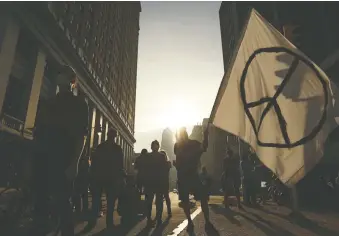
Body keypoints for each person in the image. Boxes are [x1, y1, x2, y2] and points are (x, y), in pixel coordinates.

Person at [32, 65, 88, 236]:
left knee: (63, 204)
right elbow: (38, 132)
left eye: (63, 74)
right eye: (58, 74)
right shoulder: (49, 102)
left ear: (71, 80)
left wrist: (74, 164)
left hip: (63, 159)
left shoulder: (79, 103)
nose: (59, 77)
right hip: (42, 157)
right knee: (39, 205)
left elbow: (81, 135)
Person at [174, 127, 213, 233]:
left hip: (192, 176)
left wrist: (205, 135)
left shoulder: (193, 144)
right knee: (185, 201)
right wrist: (177, 165)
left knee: (202, 198)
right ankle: (191, 221)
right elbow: (178, 160)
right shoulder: (177, 146)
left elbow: (204, 147)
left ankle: (207, 221)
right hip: (183, 176)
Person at [89, 128, 124, 230]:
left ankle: (93, 221)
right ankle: (109, 223)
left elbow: (94, 162)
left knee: (96, 199)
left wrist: (93, 175)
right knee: (111, 201)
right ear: (115, 137)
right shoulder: (117, 148)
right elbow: (120, 165)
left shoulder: (100, 147)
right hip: (112, 177)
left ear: (107, 135)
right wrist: (120, 177)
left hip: (99, 176)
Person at [143, 140, 168, 227]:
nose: (155, 147)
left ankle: (156, 218)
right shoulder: (159, 156)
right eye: (154, 145)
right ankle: (152, 219)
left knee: (156, 201)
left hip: (155, 182)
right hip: (154, 182)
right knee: (153, 202)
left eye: (156, 145)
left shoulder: (153, 156)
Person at [160, 150, 172, 217]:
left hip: (162, 181)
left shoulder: (167, 163)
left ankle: (168, 211)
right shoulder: (168, 163)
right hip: (164, 181)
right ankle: (169, 211)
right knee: (165, 196)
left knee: (162, 197)